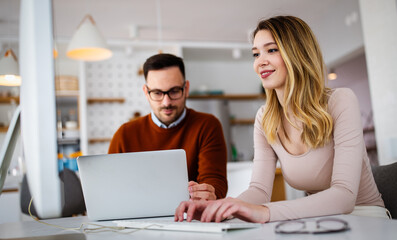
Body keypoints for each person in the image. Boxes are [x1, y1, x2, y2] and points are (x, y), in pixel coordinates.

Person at [175, 15, 389, 223]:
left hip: (365, 219)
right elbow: (259, 190)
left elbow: (344, 197)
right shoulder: (265, 118)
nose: (260, 62)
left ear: (298, 54)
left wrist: (264, 212)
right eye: (256, 54)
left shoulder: (340, 101)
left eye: (271, 50)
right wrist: (220, 208)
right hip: (318, 222)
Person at [108, 53, 228, 200]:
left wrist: (209, 193)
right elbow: (111, 188)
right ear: (146, 92)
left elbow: (215, 182)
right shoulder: (124, 134)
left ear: (186, 88)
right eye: (157, 93)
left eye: (174, 91)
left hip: (192, 215)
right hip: (136, 219)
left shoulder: (207, 125)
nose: (166, 102)